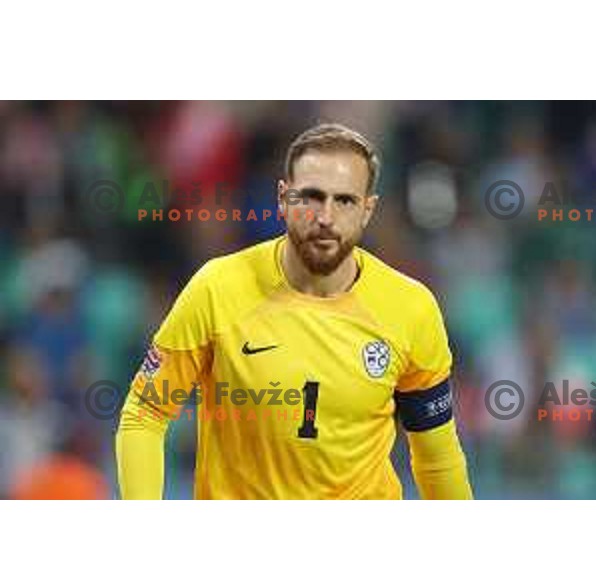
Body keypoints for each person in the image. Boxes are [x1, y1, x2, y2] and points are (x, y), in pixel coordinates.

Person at [116, 123, 473, 499]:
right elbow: (145, 413)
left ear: (368, 210)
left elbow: (436, 456)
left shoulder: (410, 308)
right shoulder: (217, 289)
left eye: (345, 201)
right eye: (312, 198)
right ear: (284, 199)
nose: (326, 217)